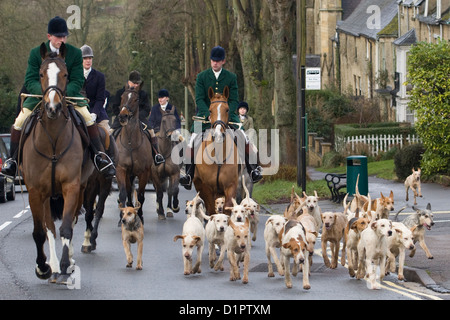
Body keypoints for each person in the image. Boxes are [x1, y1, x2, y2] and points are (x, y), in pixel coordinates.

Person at [1, 16, 115, 178]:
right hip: (39, 97)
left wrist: (61, 93)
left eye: (64, 36)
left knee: (88, 119)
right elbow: (30, 79)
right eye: (58, 36)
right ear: (49, 36)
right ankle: (12, 161)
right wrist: (47, 93)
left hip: (69, 97)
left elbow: (77, 80)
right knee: (19, 121)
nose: (62, 39)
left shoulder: (74, 54)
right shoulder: (35, 53)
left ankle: (98, 156)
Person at [179, 46, 262, 190]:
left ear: (223, 61)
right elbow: (199, 99)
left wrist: (226, 113)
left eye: (217, 61)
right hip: (204, 116)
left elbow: (235, 99)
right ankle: (188, 174)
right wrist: (209, 114)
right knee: (192, 140)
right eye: (213, 60)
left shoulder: (231, 77)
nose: (215, 63)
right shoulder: (202, 77)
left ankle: (253, 169)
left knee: (243, 136)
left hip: (227, 115)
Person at [111, 70, 164, 165]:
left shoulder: (143, 94)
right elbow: (115, 106)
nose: (135, 85)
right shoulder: (120, 92)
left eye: (137, 83)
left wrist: (138, 116)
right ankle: (109, 157)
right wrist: (121, 114)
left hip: (139, 118)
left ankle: (156, 154)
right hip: (122, 117)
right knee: (110, 133)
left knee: (151, 132)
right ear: (129, 82)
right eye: (134, 83)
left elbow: (147, 108)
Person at [80, 44, 110, 132]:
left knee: (107, 133)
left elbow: (100, 99)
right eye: (85, 58)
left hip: (96, 111)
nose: (88, 61)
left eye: (90, 58)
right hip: (78, 110)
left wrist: (94, 113)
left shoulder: (99, 76)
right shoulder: (74, 75)